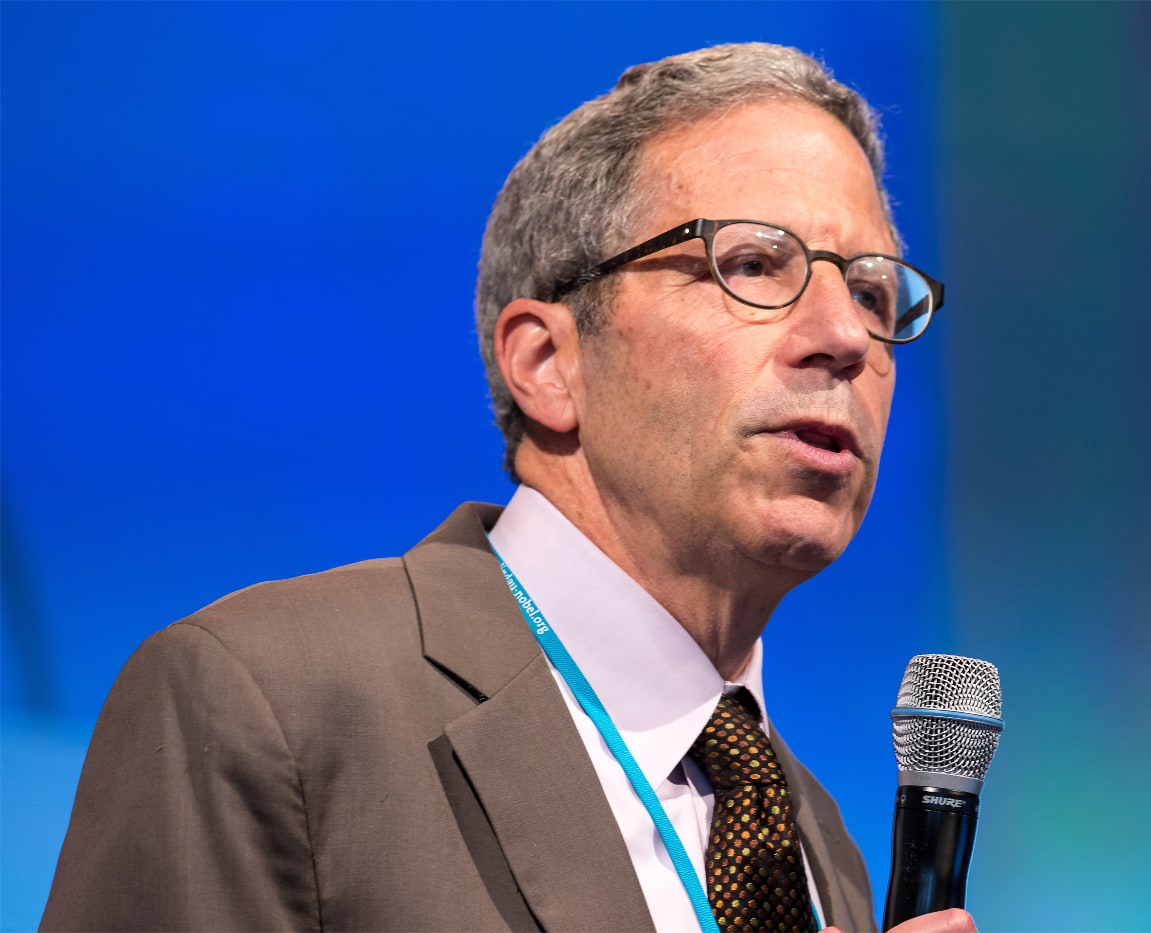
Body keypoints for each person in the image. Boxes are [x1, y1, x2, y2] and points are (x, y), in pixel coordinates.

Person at [42, 43, 970, 933]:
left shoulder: (818, 845)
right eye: (757, 263)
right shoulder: (269, 705)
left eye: (873, 291)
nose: (846, 337)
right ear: (547, 364)